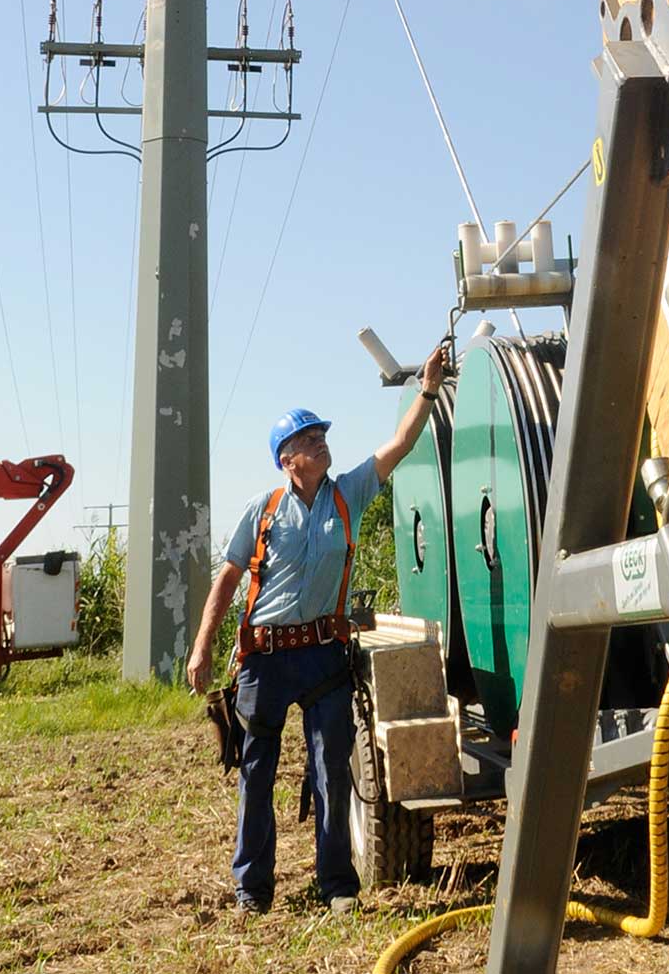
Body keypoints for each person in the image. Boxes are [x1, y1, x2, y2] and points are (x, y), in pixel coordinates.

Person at [187, 345, 448, 918]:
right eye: (309, 439)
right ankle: (252, 890)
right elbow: (227, 578)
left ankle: (337, 886)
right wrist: (204, 645)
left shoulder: (348, 493)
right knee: (256, 774)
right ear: (287, 459)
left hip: (326, 655)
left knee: (331, 768)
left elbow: (398, 446)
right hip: (266, 659)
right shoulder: (263, 510)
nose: (322, 442)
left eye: (322, 435)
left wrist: (426, 390)